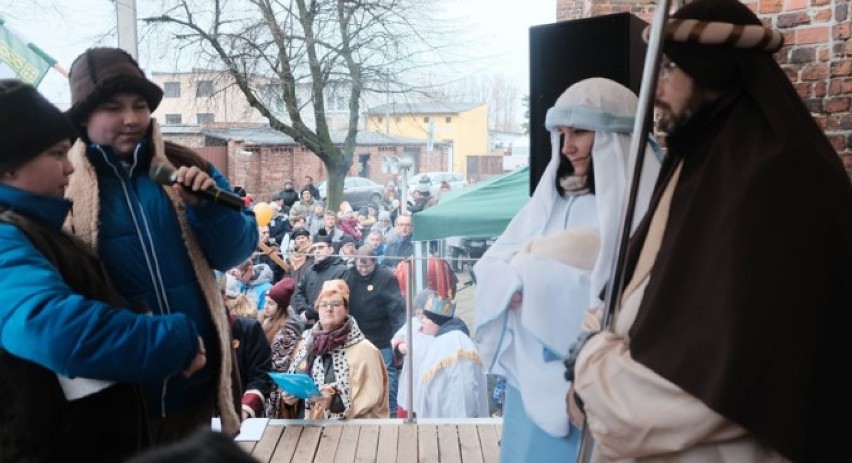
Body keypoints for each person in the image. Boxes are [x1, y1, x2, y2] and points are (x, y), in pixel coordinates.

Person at [570, 1, 852, 461]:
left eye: (669, 68)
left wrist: (594, 371)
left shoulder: (779, 181)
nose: (655, 91)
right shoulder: (699, 158)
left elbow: (717, 382)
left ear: (713, 70)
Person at [0, 80, 206, 462]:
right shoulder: (5, 237)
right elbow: (53, 328)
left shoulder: (34, 230)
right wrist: (173, 339)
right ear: (9, 166)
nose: (68, 166)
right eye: (56, 153)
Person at [63, 47, 258, 441]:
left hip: (196, 390)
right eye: (114, 108)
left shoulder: (188, 164)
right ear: (84, 115)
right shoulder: (61, 181)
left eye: (139, 105)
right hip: (118, 397)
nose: (131, 118)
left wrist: (210, 211)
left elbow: (236, 251)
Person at [472, 77, 661, 462]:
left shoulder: (647, 212)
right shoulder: (552, 201)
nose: (567, 146)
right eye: (561, 133)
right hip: (530, 379)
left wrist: (533, 271)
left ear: (613, 139)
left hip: (599, 385)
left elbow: (631, 291)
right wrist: (515, 279)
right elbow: (492, 263)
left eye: (580, 132)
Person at [283, 280, 389, 419]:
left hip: (346, 436)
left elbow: (373, 403)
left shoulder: (366, 351)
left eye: (335, 304)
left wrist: (334, 402)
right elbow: (294, 387)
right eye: (324, 304)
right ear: (317, 309)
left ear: (346, 310)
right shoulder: (305, 344)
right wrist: (289, 400)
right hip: (305, 433)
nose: (329, 309)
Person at [346, 246, 406, 417]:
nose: (364, 270)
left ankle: (392, 410)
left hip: (381, 334)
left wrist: (398, 335)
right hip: (357, 335)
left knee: (388, 374)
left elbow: (396, 307)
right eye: (360, 266)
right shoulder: (349, 276)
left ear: (375, 262)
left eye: (368, 267)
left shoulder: (385, 277)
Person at [413, 293, 489, 419]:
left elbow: (465, 388)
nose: (422, 322)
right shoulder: (441, 340)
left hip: (454, 425)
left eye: (425, 318)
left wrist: (463, 425)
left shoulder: (456, 344)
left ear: (435, 321)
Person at [261, 277, 306, 418]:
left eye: (271, 303)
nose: (266, 306)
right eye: (266, 302)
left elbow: (277, 366)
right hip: (263, 383)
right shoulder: (265, 320)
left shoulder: (286, 331)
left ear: (280, 306)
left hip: (274, 392)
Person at [391, 289, 437, 418]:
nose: (420, 318)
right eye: (417, 314)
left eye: (423, 314)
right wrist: (400, 346)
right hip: (411, 378)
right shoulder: (413, 324)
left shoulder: (436, 329)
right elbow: (396, 339)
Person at [292, 232, 349, 327]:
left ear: (331, 249)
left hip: (331, 324)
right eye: (314, 248)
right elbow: (299, 292)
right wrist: (303, 310)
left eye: (321, 247)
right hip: (308, 324)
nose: (317, 251)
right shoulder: (310, 270)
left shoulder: (341, 270)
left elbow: (333, 297)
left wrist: (309, 314)